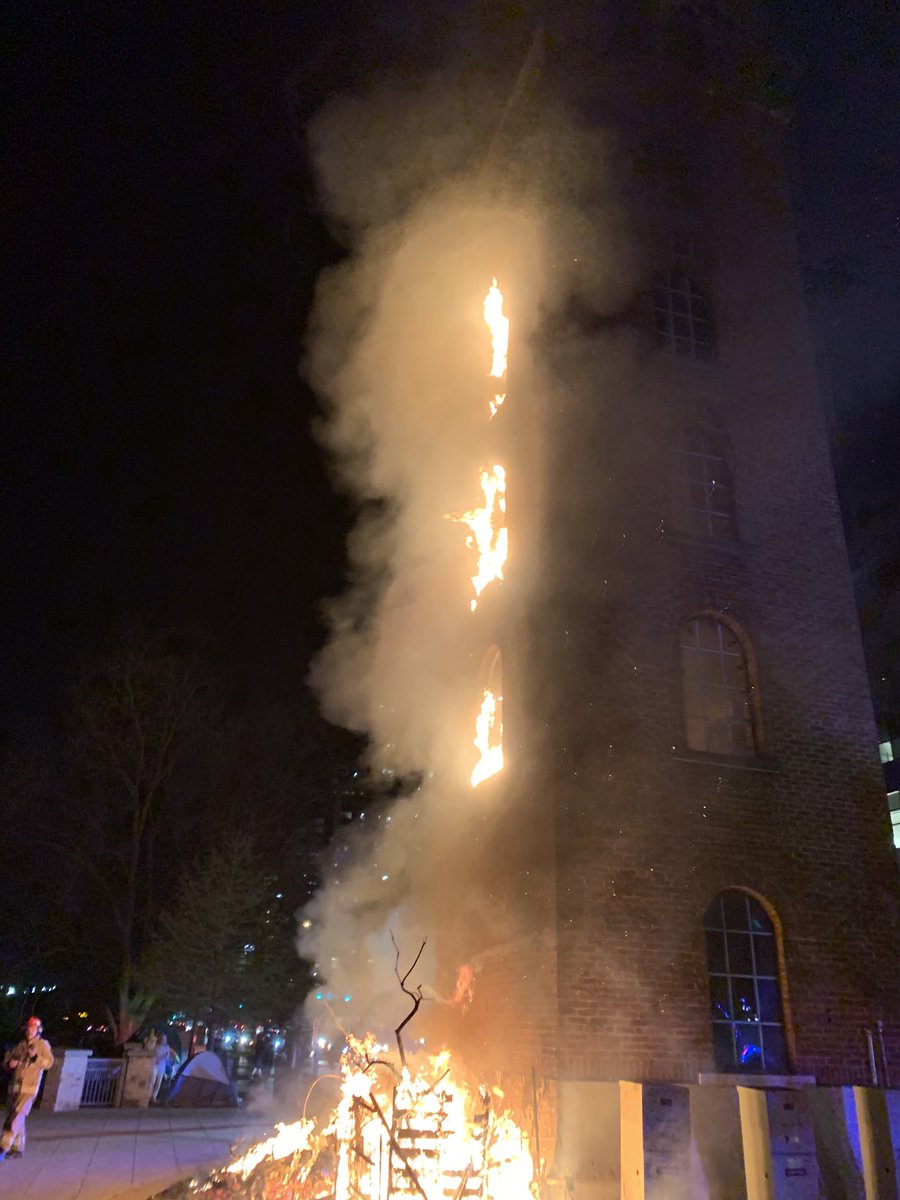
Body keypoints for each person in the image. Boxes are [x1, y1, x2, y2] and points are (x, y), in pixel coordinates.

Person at [0, 1016, 54, 1160]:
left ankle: (3, 1146)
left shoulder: (42, 1045)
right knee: (15, 1116)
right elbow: (8, 1062)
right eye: (29, 1028)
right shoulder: (21, 1045)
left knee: (16, 1117)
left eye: (33, 1028)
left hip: (29, 1089)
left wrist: (36, 1058)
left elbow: (49, 1063)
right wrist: (10, 1063)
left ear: (39, 1030)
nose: (30, 1031)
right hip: (15, 1087)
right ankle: (17, 1148)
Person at [151, 1034, 174, 1102]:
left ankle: (154, 1096)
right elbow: (153, 1055)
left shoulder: (167, 1047)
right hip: (155, 1065)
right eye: (162, 1039)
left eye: (164, 1039)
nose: (163, 1040)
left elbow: (167, 1057)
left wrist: (162, 1058)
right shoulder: (156, 1046)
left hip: (161, 1066)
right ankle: (149, 1095)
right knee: (152, 1081)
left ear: (166, 1040)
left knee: (158, 1082)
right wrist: (157, 1058)